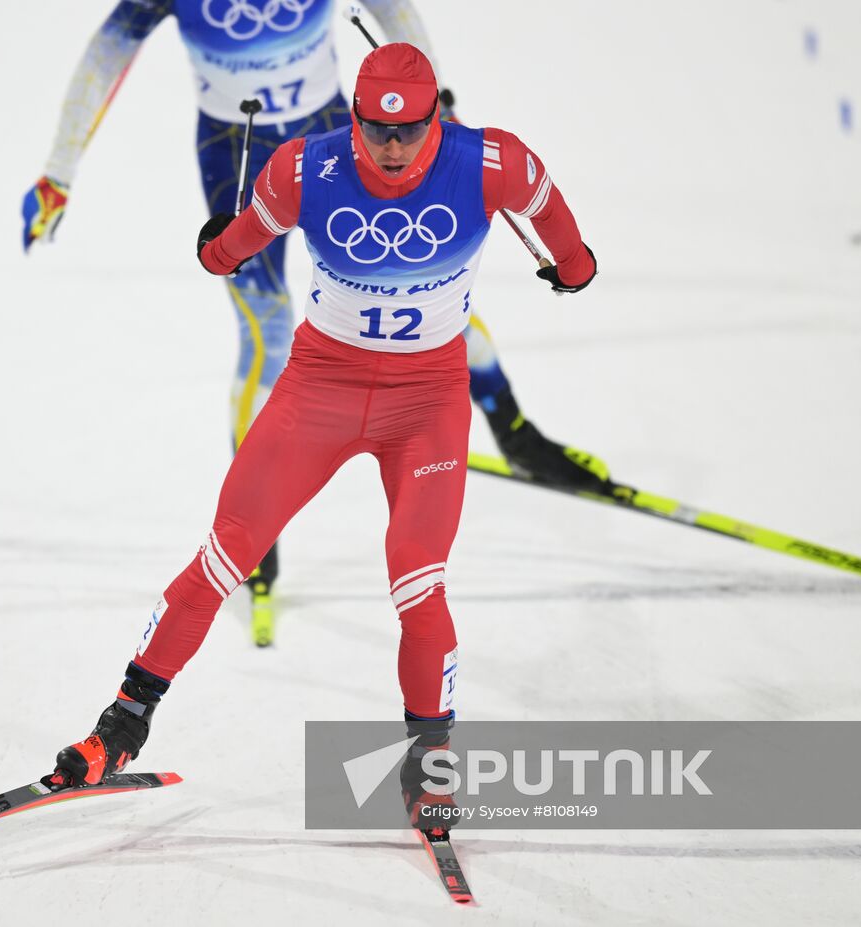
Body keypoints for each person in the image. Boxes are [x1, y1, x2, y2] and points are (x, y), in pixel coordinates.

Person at [51, 44, 598, 824]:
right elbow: (233, 250)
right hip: (321, 389)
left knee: (417, 576)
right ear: (356, 118)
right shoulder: (304, 169)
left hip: (426, 404)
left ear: (436, 117)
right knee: (224, 555)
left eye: (409, 131)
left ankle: (432, 766)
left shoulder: (492, 162)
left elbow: (554, 221)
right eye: (377, 130)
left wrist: (571, 265)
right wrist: (217, 246)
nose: (393, 148)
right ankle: (120, 727)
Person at [21, 0, 609, 645]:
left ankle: (515, 432)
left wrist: (433, 110)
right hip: (237, 146)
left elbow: (394, 14)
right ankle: (255, 551)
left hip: (337, 130)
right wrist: (59, 170)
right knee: (266, 326)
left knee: (424, 291)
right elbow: (113, 47)